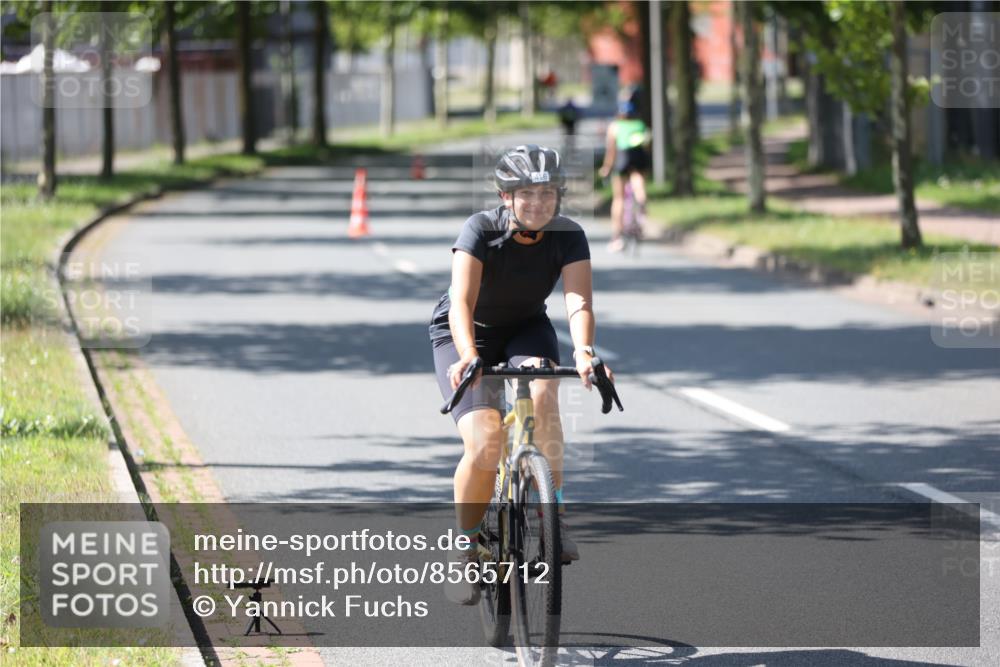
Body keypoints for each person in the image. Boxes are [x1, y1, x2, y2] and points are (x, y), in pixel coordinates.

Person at [428, 144, 615, 605]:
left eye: (548, 194)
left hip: (527, 328)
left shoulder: (569, 235)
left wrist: (587, 351)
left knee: (547, 393)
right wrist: (469, 357)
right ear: (504, 196)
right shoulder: (479, 229)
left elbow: (579, 302)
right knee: (486, 441)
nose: (537, 203)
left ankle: (551, 516)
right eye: (525, 193)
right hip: (466, 332)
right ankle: (466, 546)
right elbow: (462, 305)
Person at [598, 99, 650, 253]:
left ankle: (617, 236)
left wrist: (606, 167)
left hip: (622, 158)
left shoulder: (615, 126)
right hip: (639, 157)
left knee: (619, 198)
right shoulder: (640, 125)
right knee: (638, 182)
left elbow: (611, 150)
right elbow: (647, 145)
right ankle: (641, 203)